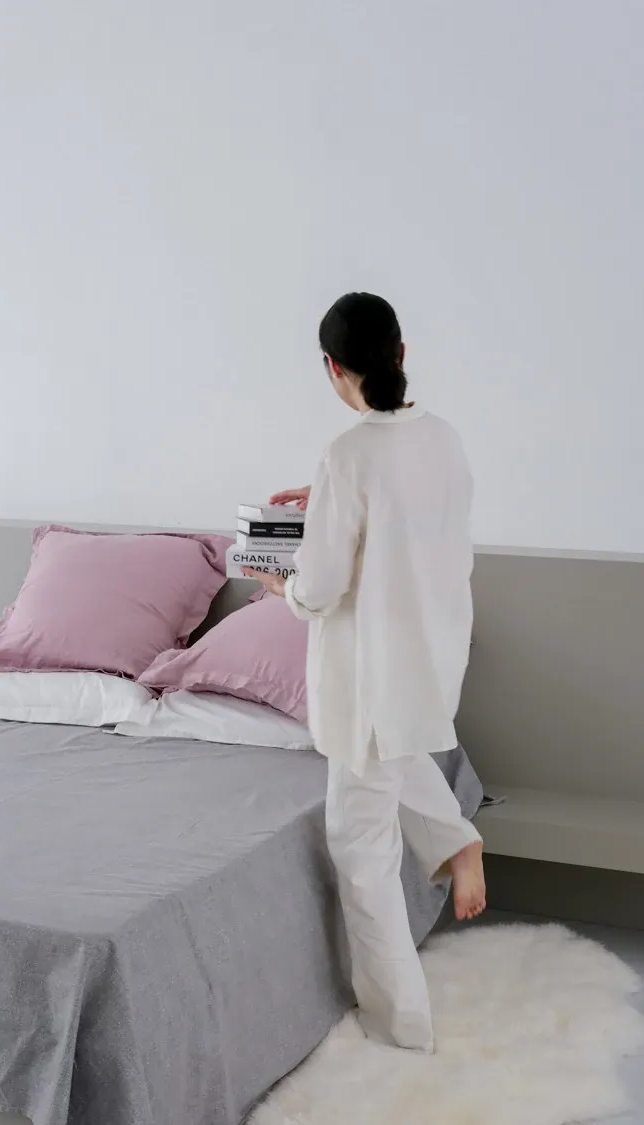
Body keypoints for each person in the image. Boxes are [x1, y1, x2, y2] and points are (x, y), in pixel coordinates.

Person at [242, 292, 485, 1053]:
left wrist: (280, 585)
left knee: (359, 844)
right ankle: (457, 840)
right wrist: (329, 500)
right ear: (401, 353)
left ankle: (400, 1027)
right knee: (397, 754)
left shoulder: (348, 454)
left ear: (332, 368)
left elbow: (318, 588)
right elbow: (410, 514)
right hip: (430, 658)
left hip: (371, 672)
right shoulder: (442, 438)